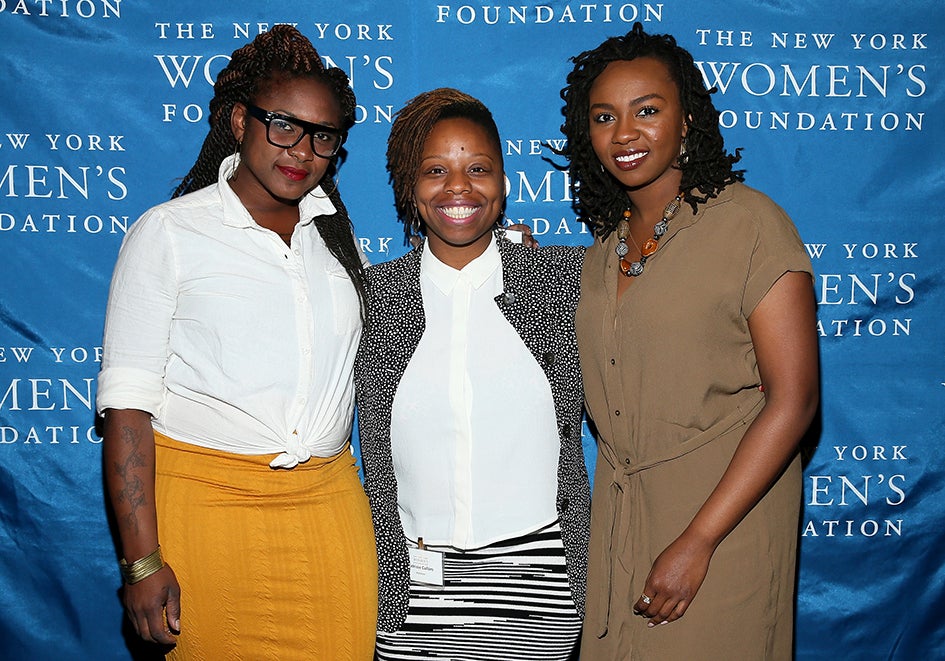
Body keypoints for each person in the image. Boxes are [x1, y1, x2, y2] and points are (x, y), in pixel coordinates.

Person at [97, 26, 377, 660]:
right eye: (283, 125)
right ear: (239, 121)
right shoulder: (168, 233)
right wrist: (141, 564)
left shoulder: (334, 246)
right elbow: (127, 408)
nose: (300, 148)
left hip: (328, 506)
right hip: (205, 507)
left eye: (322, 135)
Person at [559, 23, 819, 659]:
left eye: (647, 110)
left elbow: (795, 401)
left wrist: (699, 539)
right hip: (621, 527)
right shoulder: (600, 255)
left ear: (687, 121)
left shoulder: (750, 224)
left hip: (723, 525)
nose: (624, 133)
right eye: (604, 117)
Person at [354, 88, 591, 660]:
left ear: (505, 182)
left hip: (540, 585)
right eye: (435, 170)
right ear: (411, 189)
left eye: (478, 168)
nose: (457, 187)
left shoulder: (564, 281)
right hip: (410, 586)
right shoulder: (373, 296)